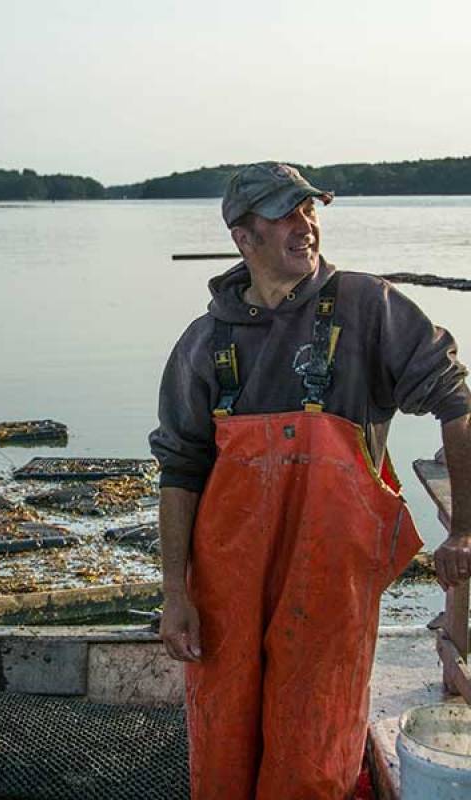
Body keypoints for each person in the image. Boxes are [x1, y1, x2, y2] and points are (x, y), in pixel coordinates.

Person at [149, 162, 471, 800]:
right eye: (286, 213)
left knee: (313, 745)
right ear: (245, 237)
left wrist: (464, 528)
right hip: (224, 587)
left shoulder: (369, 306)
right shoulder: (204, 341)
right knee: (223, 750)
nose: (306, 225)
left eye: (310, 209)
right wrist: (174, 594)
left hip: (330, 583)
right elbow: (180, 470)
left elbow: (456, 403)